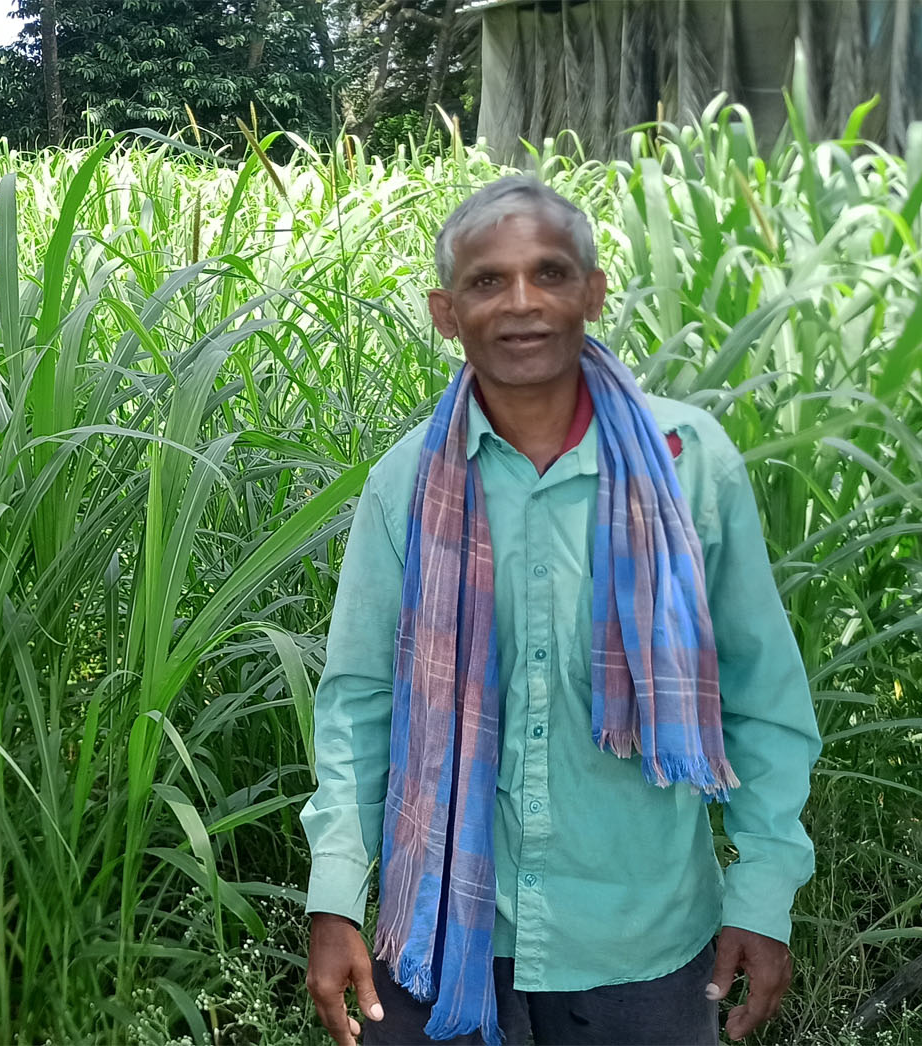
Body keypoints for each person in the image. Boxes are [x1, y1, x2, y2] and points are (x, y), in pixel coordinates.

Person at [301, 176, 822, 1046]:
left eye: (549, 273)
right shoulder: (407, 487)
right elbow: (359, 705)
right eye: (487, 281)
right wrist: (335, 899)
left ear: (593, 290)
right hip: (438, 930)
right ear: (445, 312)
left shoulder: (689, 464)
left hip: (639, 943)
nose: (522, 304)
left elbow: (763, 699)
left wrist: (762, 897)